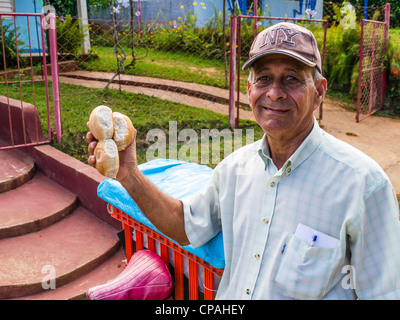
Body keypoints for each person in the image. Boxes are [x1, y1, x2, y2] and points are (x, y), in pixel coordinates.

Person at [87, 22, 400, 300]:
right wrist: (128, 173)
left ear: (319, 91)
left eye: (291, 79)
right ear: (249, 90)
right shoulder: (234, 170)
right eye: (264, 79)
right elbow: (185, 227)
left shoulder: (362, 184)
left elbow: (384, 292)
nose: (274, 93)